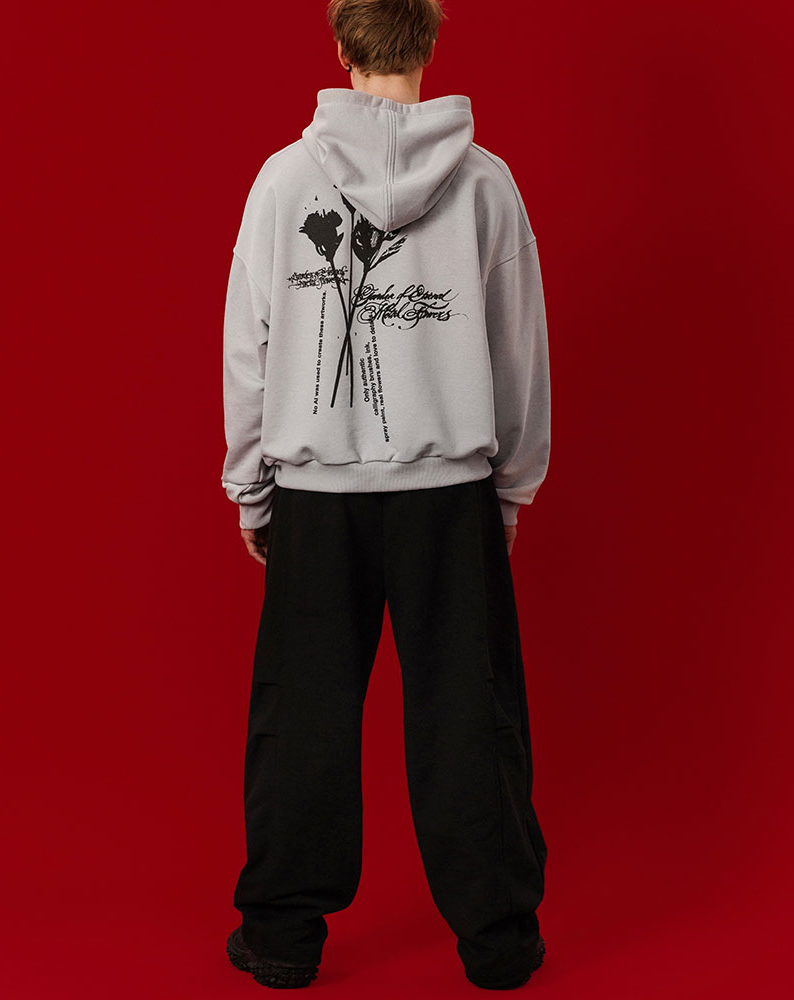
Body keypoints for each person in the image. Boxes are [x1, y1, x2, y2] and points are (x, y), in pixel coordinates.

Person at [221, 0, 551, 989]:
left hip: (316, 492)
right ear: (431, 41)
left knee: (302, 715)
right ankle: (499, 942)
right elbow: (517, 353)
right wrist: (509, 490)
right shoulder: (485, 184)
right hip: (448, 496)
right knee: (469, 712)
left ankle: (282, 936)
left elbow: (250, 347)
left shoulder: (283, 182)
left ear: (341, 47)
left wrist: (250, 486)